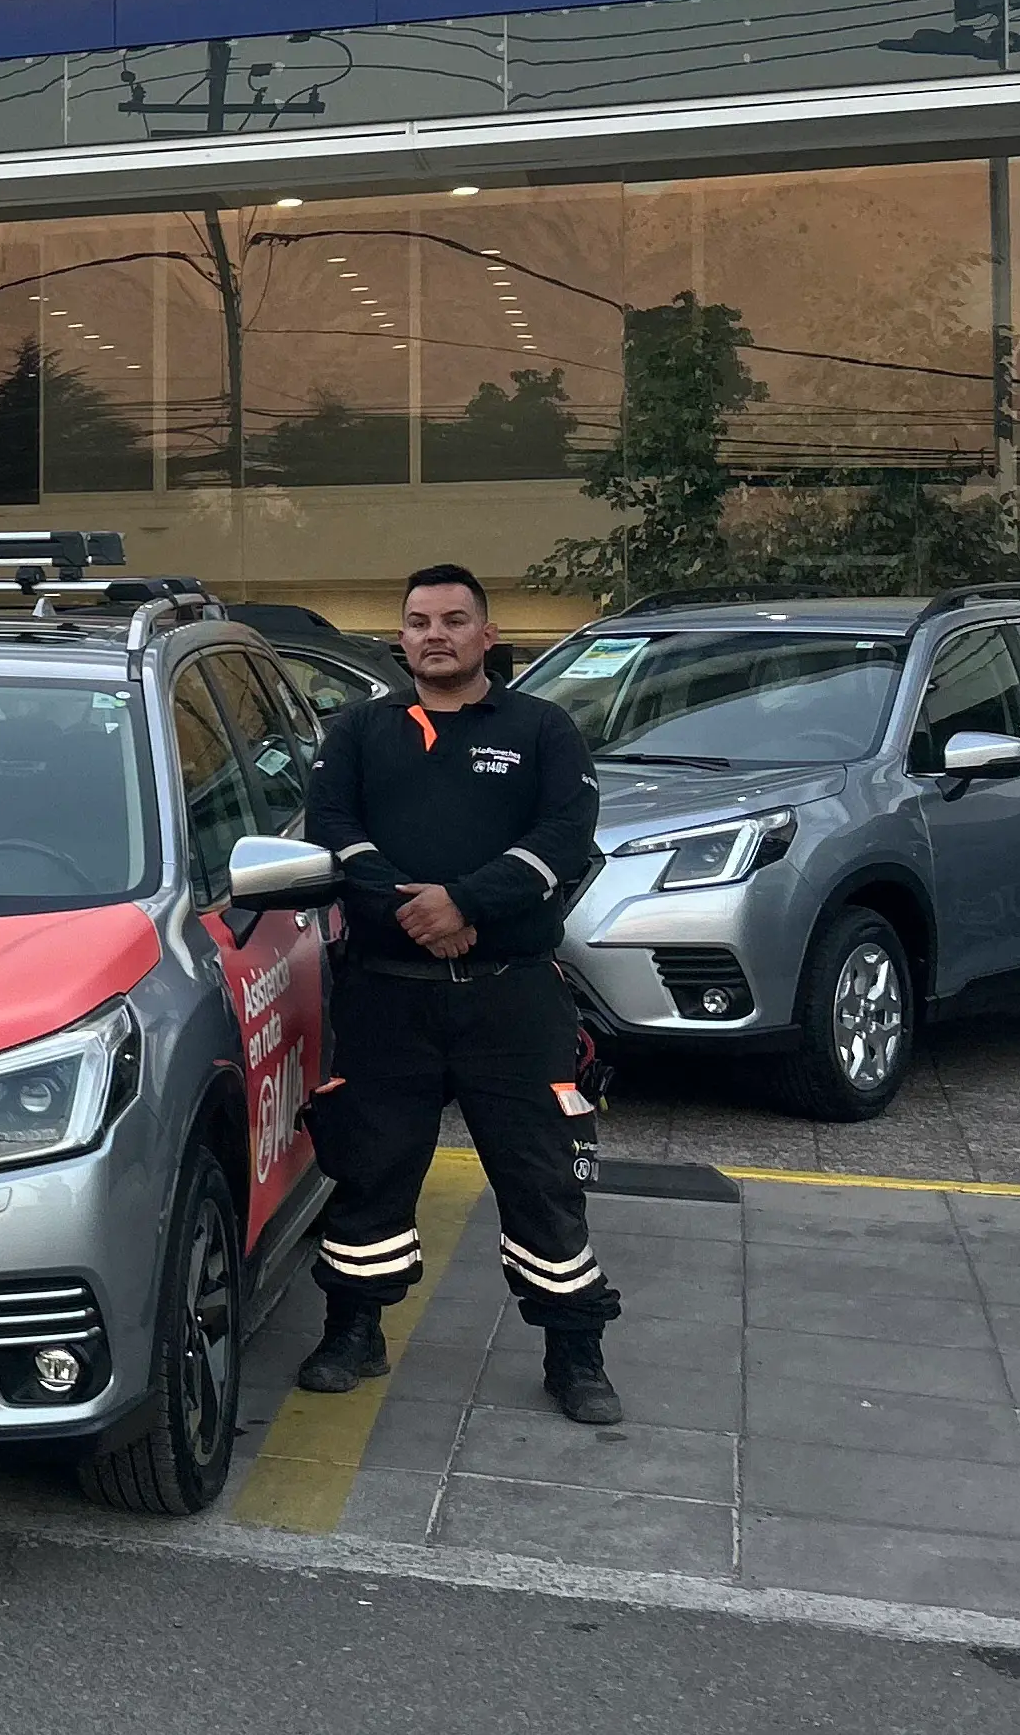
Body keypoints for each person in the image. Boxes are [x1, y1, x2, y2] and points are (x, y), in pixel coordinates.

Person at [296, 564, 622, 1425]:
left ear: (487, 634)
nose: (434, 634)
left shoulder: (541, 728)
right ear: (400, 638)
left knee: (543, 1177)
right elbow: (332, 830)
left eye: (452, 619)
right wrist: (423, 914)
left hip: (512, 999)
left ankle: (575, 1352)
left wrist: (467, 904)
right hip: (385, 997)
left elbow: (567, 834)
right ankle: (352, 1331)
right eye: (418, 621)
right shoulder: (359, 730)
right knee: (368, 1168)